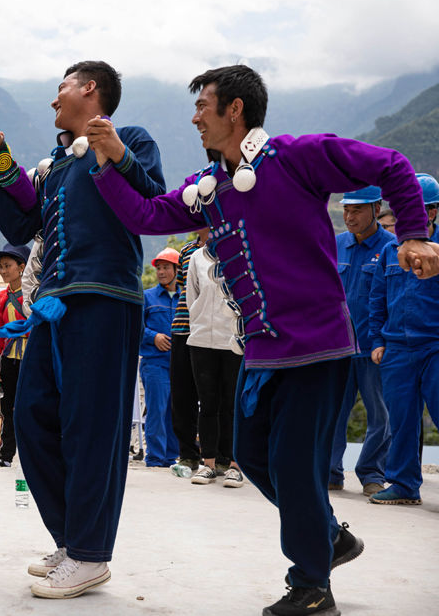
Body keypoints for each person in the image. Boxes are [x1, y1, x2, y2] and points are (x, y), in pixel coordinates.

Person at [84, 64, 437, 615]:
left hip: (318, 347)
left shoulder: (296, 156)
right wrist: (106, 164)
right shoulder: (209, 190)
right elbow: (146, 214)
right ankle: (332, 538)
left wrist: (413, 233)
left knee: (295, 464)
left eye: (203, 104)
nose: (195, 116)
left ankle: (312, 587)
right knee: (250, 454)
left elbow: (391, 165)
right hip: (263, 353)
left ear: (236, 109)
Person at [0, 60, 165, 599]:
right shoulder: (58, 161)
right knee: (32, 418)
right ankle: (73, 538)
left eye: (61, 87)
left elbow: (152, 199)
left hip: (105, 297)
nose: (54, 98)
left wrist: (116, 154)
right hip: (53, 304)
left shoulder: (131, 138)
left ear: (89, 89)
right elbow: (23, 225)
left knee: (92, 428)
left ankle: (90, 552)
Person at [366, 173, 439, 505]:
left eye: (418, 210)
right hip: (396, 348)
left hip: (434, 346)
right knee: (401, 419)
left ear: (433, 212)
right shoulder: (390, 251)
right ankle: (404, 485)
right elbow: (376, 300)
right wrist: (377, 341)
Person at [328, 186, 395, 496]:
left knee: (380, 414)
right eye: (346, 210)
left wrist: (384, 340)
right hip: (338, 346)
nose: (349, 216)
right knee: (332, 413)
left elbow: (393, 301)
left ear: (375, 208)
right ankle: (330, 472)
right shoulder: (336, 244)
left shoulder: (392, 248)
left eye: (356, 210)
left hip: (374, 348)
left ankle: (371, 473)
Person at [184, 245, 244, 488]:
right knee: (207, 404)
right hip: (201, 339)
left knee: (231, 404)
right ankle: (207, 464)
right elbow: (192, 296)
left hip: (233, 340)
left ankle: (234, 465)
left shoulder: (242, 250)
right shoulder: (197, 257)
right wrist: (198, 320)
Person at [169, 229, 208, 477]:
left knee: (213, 396)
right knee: (182, 396)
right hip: (182, 327)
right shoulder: (185, 251)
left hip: (211, 332)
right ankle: (187, 455)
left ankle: (217, 456)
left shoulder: (226, 246)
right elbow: (184, 289)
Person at [0, 243, 31, 468]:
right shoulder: (2, 299)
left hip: (32, 358)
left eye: (8, 266)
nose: (4, 271)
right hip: (9, 359)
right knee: (7, 407)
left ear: (22, 267)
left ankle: (34, 454)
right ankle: (6, 455)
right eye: (1, 267)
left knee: (32, 406)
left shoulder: (33, 294)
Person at [140, 247, 181, 468]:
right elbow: (136, 327)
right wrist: (153, 336)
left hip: (180, 364)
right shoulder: (147, 296)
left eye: (166, 267)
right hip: (154, 362)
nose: (161, 272)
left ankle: (170, 457)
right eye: (159, 268)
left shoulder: (187, 297)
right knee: (156, 409)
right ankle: (155, 459)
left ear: (177, 269)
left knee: (176, 412)